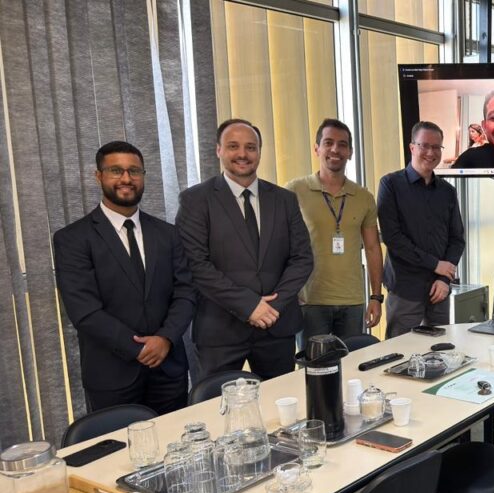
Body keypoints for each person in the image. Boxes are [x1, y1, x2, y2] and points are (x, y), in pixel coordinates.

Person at [53, 141, 195, 414]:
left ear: (143, 176)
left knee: (176, 438)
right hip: (112, 375)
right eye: (116, 171)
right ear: (99, 176)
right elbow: (84, 311)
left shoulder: (167, 234)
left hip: (168, 369)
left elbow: (186, 292)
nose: (127, 179)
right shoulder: (73, 239)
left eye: (134, 171)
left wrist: (165, 338)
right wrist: (138, 349)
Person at [176, 118, 313, 380]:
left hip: (276, 326)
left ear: (259, 151)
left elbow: (302, 259)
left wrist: (271, 308)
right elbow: (196, 265)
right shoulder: (196, 200)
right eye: (233, 146)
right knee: (216, 401)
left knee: (281, 400)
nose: (243, 154)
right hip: (220, 330)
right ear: (218, 150)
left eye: (251, 147)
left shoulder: (284, 199)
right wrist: (249, 306)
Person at [285, 119, 384, 344]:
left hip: (352, 301)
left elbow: (372, 248)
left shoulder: (363, 197)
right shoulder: (294, 191)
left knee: (352, 362)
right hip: (310, 301)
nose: (335, 149)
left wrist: (376, 297)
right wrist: (288, 293)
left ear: (350, 152)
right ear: (317, 148)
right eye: (328, 143)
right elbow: (281, 246)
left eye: (342, 144)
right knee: (313, 364)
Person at [377, 121, 466, 338]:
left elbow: (457, 239)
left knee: (440, 351)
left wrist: (444, 279)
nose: (430, 152)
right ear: (412, 147)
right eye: (424, 145)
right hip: (405, 290)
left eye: (436, 147)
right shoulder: (390, 184)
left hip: (439, 291)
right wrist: (435, 265)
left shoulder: (447, 191)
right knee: (400, 352)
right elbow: (393, 238)